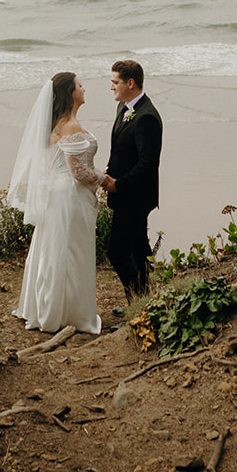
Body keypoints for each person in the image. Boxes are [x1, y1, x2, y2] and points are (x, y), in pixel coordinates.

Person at [9, 72, 103, 334]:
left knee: (54, 249)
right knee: (69, 252)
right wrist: (104, 178)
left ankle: (46, 307)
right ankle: (67, 313)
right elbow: (79, 173)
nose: (84, 88)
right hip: (69, 195)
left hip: (57, 192)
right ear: (69, 93)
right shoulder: (70, 126)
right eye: (79, 85)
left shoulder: (58, 124)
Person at [101, 59, 161, 312]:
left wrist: (118, 185)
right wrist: (108, 171)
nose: (111, 87)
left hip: (134, 197)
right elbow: (123, 151)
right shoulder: (124, 108)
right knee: (137, 250)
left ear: (130, 83)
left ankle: (138, 307)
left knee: (117, 251)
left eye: (115, 82)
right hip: (126, 193)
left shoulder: (146, 117)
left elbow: (148, 165)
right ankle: (144, 305)